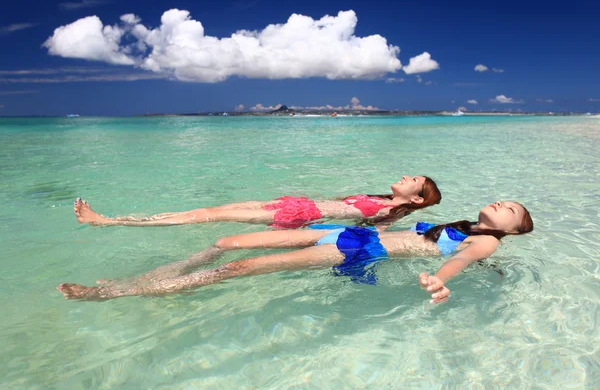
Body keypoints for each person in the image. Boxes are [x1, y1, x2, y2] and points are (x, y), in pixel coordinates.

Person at [58, 200, 533, 302]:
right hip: (338, 231)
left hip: (354, 252)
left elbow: (462, 259)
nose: (501, 204)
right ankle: (154, 278)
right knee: (224, 242)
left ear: (514, 229)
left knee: (239, 267)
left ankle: (121, 292)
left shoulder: (485, 239)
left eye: (510, 208)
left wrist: (440, 280)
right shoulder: (467, 224)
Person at [73, 176, 441, 229]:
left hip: (298, 215)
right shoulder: (378, 198)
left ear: (417, 197)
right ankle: (118, 220)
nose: (406, 176)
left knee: (208, 216)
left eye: (414, 180)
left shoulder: (391, 211)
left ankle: (108, 222)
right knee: (213, 210)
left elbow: (365, 230)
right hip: (295, 204)